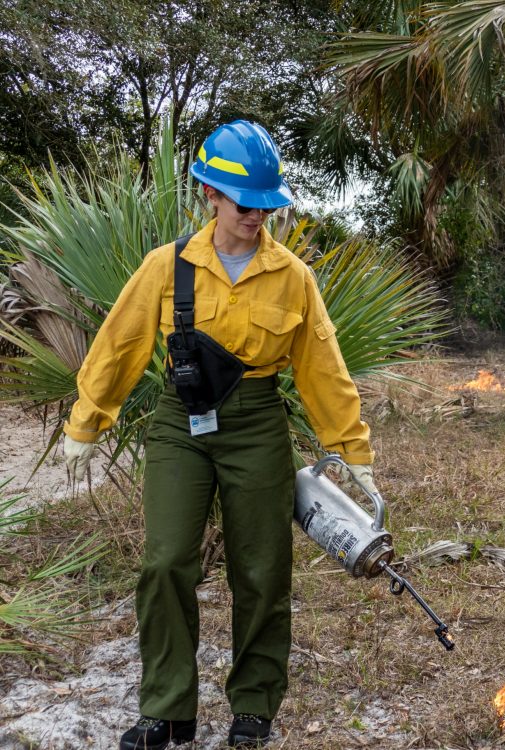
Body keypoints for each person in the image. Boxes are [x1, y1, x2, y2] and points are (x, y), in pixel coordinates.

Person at [62, 120, 378, 749]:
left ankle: (253, 707)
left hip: (257, 422)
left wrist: (351, 449)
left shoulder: (293, 277)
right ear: (210, 194)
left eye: (267, 204)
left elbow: (322, 368)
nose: (257, 215)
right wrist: (88, 419)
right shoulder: (168, 265)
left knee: (262, 570)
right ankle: (168, 708)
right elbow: (121, 342)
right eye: (245, 203)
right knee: (166, 561)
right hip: (182, 423)